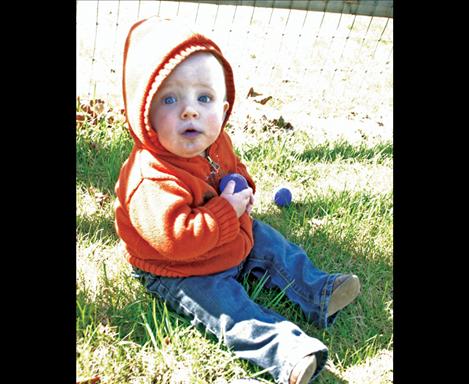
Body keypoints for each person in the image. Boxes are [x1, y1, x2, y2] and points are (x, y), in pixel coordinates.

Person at [114, 16, 360, 384]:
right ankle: (287, 352)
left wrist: (242, 186)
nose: (190, 110)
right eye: (170, 98)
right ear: (142, 113)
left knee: (276, 247)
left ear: (225, 106)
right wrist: (226, 212)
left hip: (229, 236)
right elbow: (176, 241)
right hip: (180, 269)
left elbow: (234, 168)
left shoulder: (214, 141)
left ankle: (319, 290)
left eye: (204, 97)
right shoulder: (151, 177)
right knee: (229, 309)